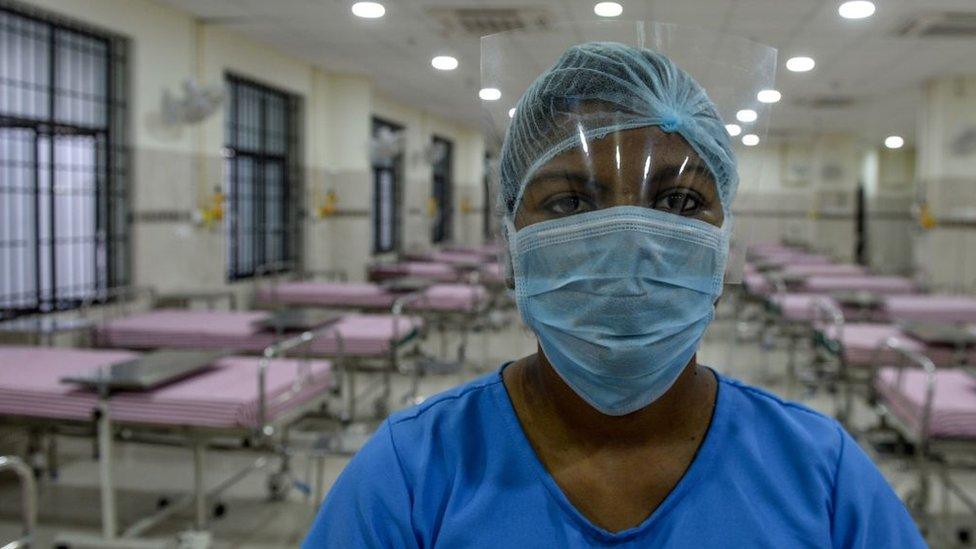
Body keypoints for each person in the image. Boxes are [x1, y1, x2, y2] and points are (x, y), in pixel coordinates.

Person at [303, 41, 925, 548]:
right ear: (512, 245)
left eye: (678, 203)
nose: (630, 246)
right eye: (570, 202)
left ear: (723, 245)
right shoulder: (413, 474)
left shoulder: (821, 477)